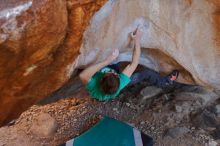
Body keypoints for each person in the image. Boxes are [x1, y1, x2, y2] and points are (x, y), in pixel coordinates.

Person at [79, 26, 179, 101]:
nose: (111, 71)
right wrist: (137, 40)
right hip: (117, 82)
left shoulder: (93, 86)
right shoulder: (122, 81)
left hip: (107, 80)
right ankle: (164, 82)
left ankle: (111, 63)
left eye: (111, 72)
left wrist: (107, 61)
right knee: (145, 73)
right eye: (111, 72)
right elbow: (134, 62)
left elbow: (83, 75)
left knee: (113, 63)